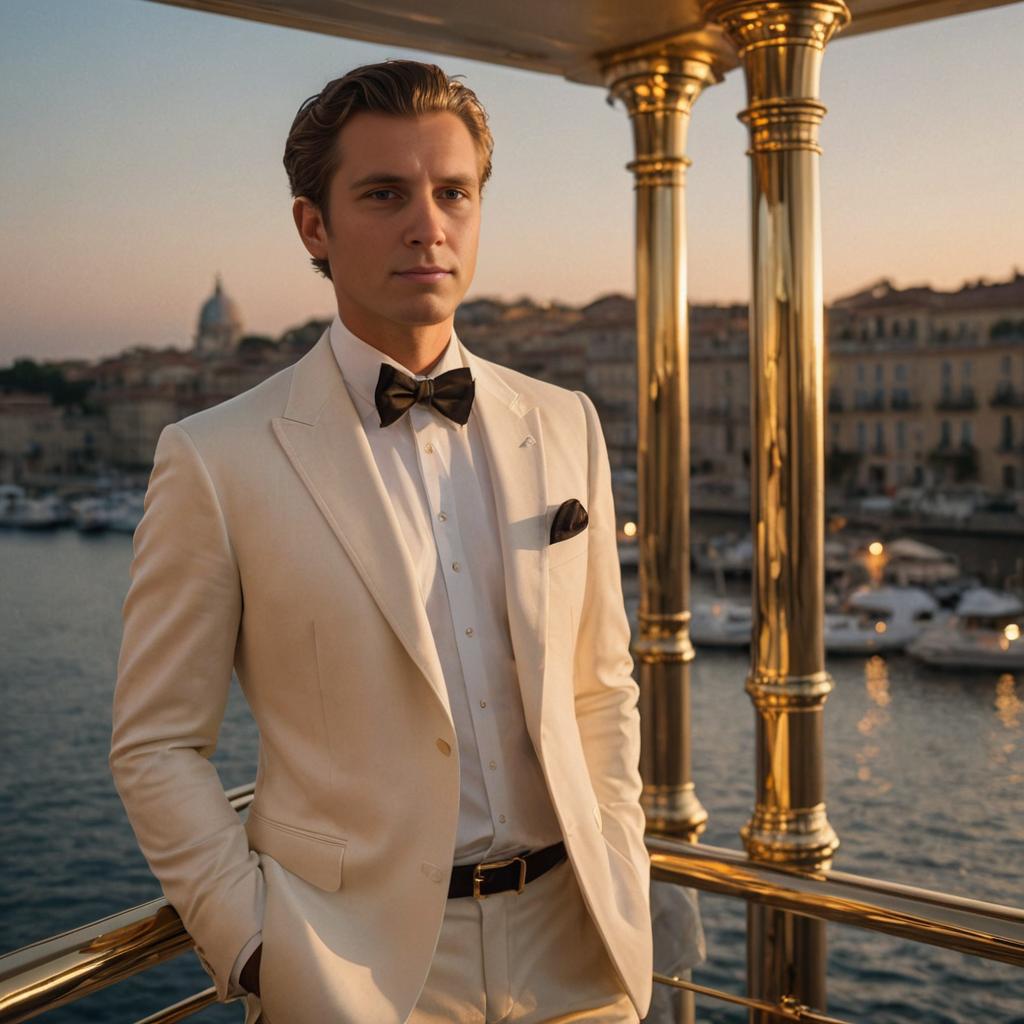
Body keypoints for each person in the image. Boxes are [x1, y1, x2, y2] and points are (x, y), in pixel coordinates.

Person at [109, 59, 652, 1024]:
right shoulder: (213, 458)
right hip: (353, 976)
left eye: (453, 193)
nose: (428, 224)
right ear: (313, 225)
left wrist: (621, 861)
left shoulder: (566, 422)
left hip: (577, 952)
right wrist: (260, 948)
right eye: (384, 194)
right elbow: (158, 744)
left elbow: (600, 687)